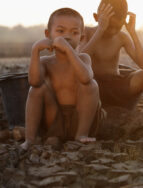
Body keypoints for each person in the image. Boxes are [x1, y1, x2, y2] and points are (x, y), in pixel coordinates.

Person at [21, 8, 103, 150]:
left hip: (80, 117)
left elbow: (85, 78)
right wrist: (35, 51)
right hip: (54, 118)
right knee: (37, 89)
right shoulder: (46, 62)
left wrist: (69, 50)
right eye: (60, 31)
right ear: (48, 35)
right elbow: (34, 82)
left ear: (82, 38)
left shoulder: (84, 58)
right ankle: (30, 139)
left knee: (91, 85)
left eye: (74, 32)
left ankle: (81, 135)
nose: (67, 36)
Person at [79, 0, 143, 123]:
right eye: (109, 26)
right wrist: (100, 30)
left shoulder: (122, 37)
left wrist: (132, 32)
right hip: (94, 87)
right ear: (96, 17)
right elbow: (79, 60)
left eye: (118, 27)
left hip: (117, 86)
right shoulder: (86, 32)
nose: (113, 31)